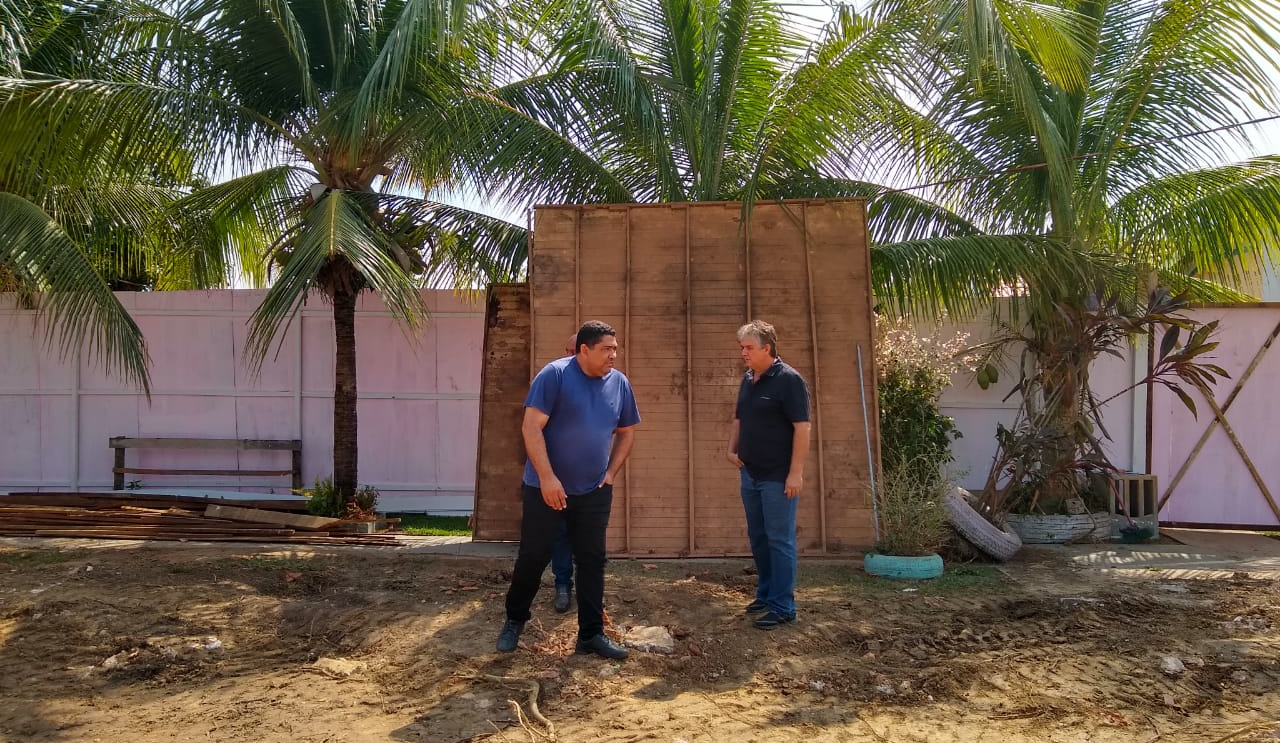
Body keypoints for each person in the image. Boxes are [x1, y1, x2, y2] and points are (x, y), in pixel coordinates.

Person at [497, 320, 640, 659]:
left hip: (593, 491)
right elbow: (531, 428)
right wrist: (547, 477)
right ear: (584, 350)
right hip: (546, 489)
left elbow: (627, 431)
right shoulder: (555, 376)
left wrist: (611, 474)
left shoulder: (619, 383)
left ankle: (590, 635)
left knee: (592, 561)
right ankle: (514, 620)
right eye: (606, 349)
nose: (613, 355)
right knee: (533, 557)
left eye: (615, 349)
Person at [726, 320, 811, 630]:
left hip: (778, 476)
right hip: (750, 473)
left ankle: (783, 605)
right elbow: (739, 419)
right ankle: (765, 594)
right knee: (759, 538)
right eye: (742, 348)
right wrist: (731, 450)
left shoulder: (789, 380)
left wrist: (795, 474)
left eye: (749, 347)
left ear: (767, 348)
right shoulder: (748, 380)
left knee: (780, 539)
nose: (743, 353)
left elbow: (802, 428)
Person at [548, 335, 578, 613]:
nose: (569, 357)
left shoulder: (602, 382)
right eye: (566, 350)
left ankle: (590, 588)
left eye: (574, 351)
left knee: (588, 537)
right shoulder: (552, 379)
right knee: (560, 533)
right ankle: (562, 586)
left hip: (588, 482)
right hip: (558, 478)